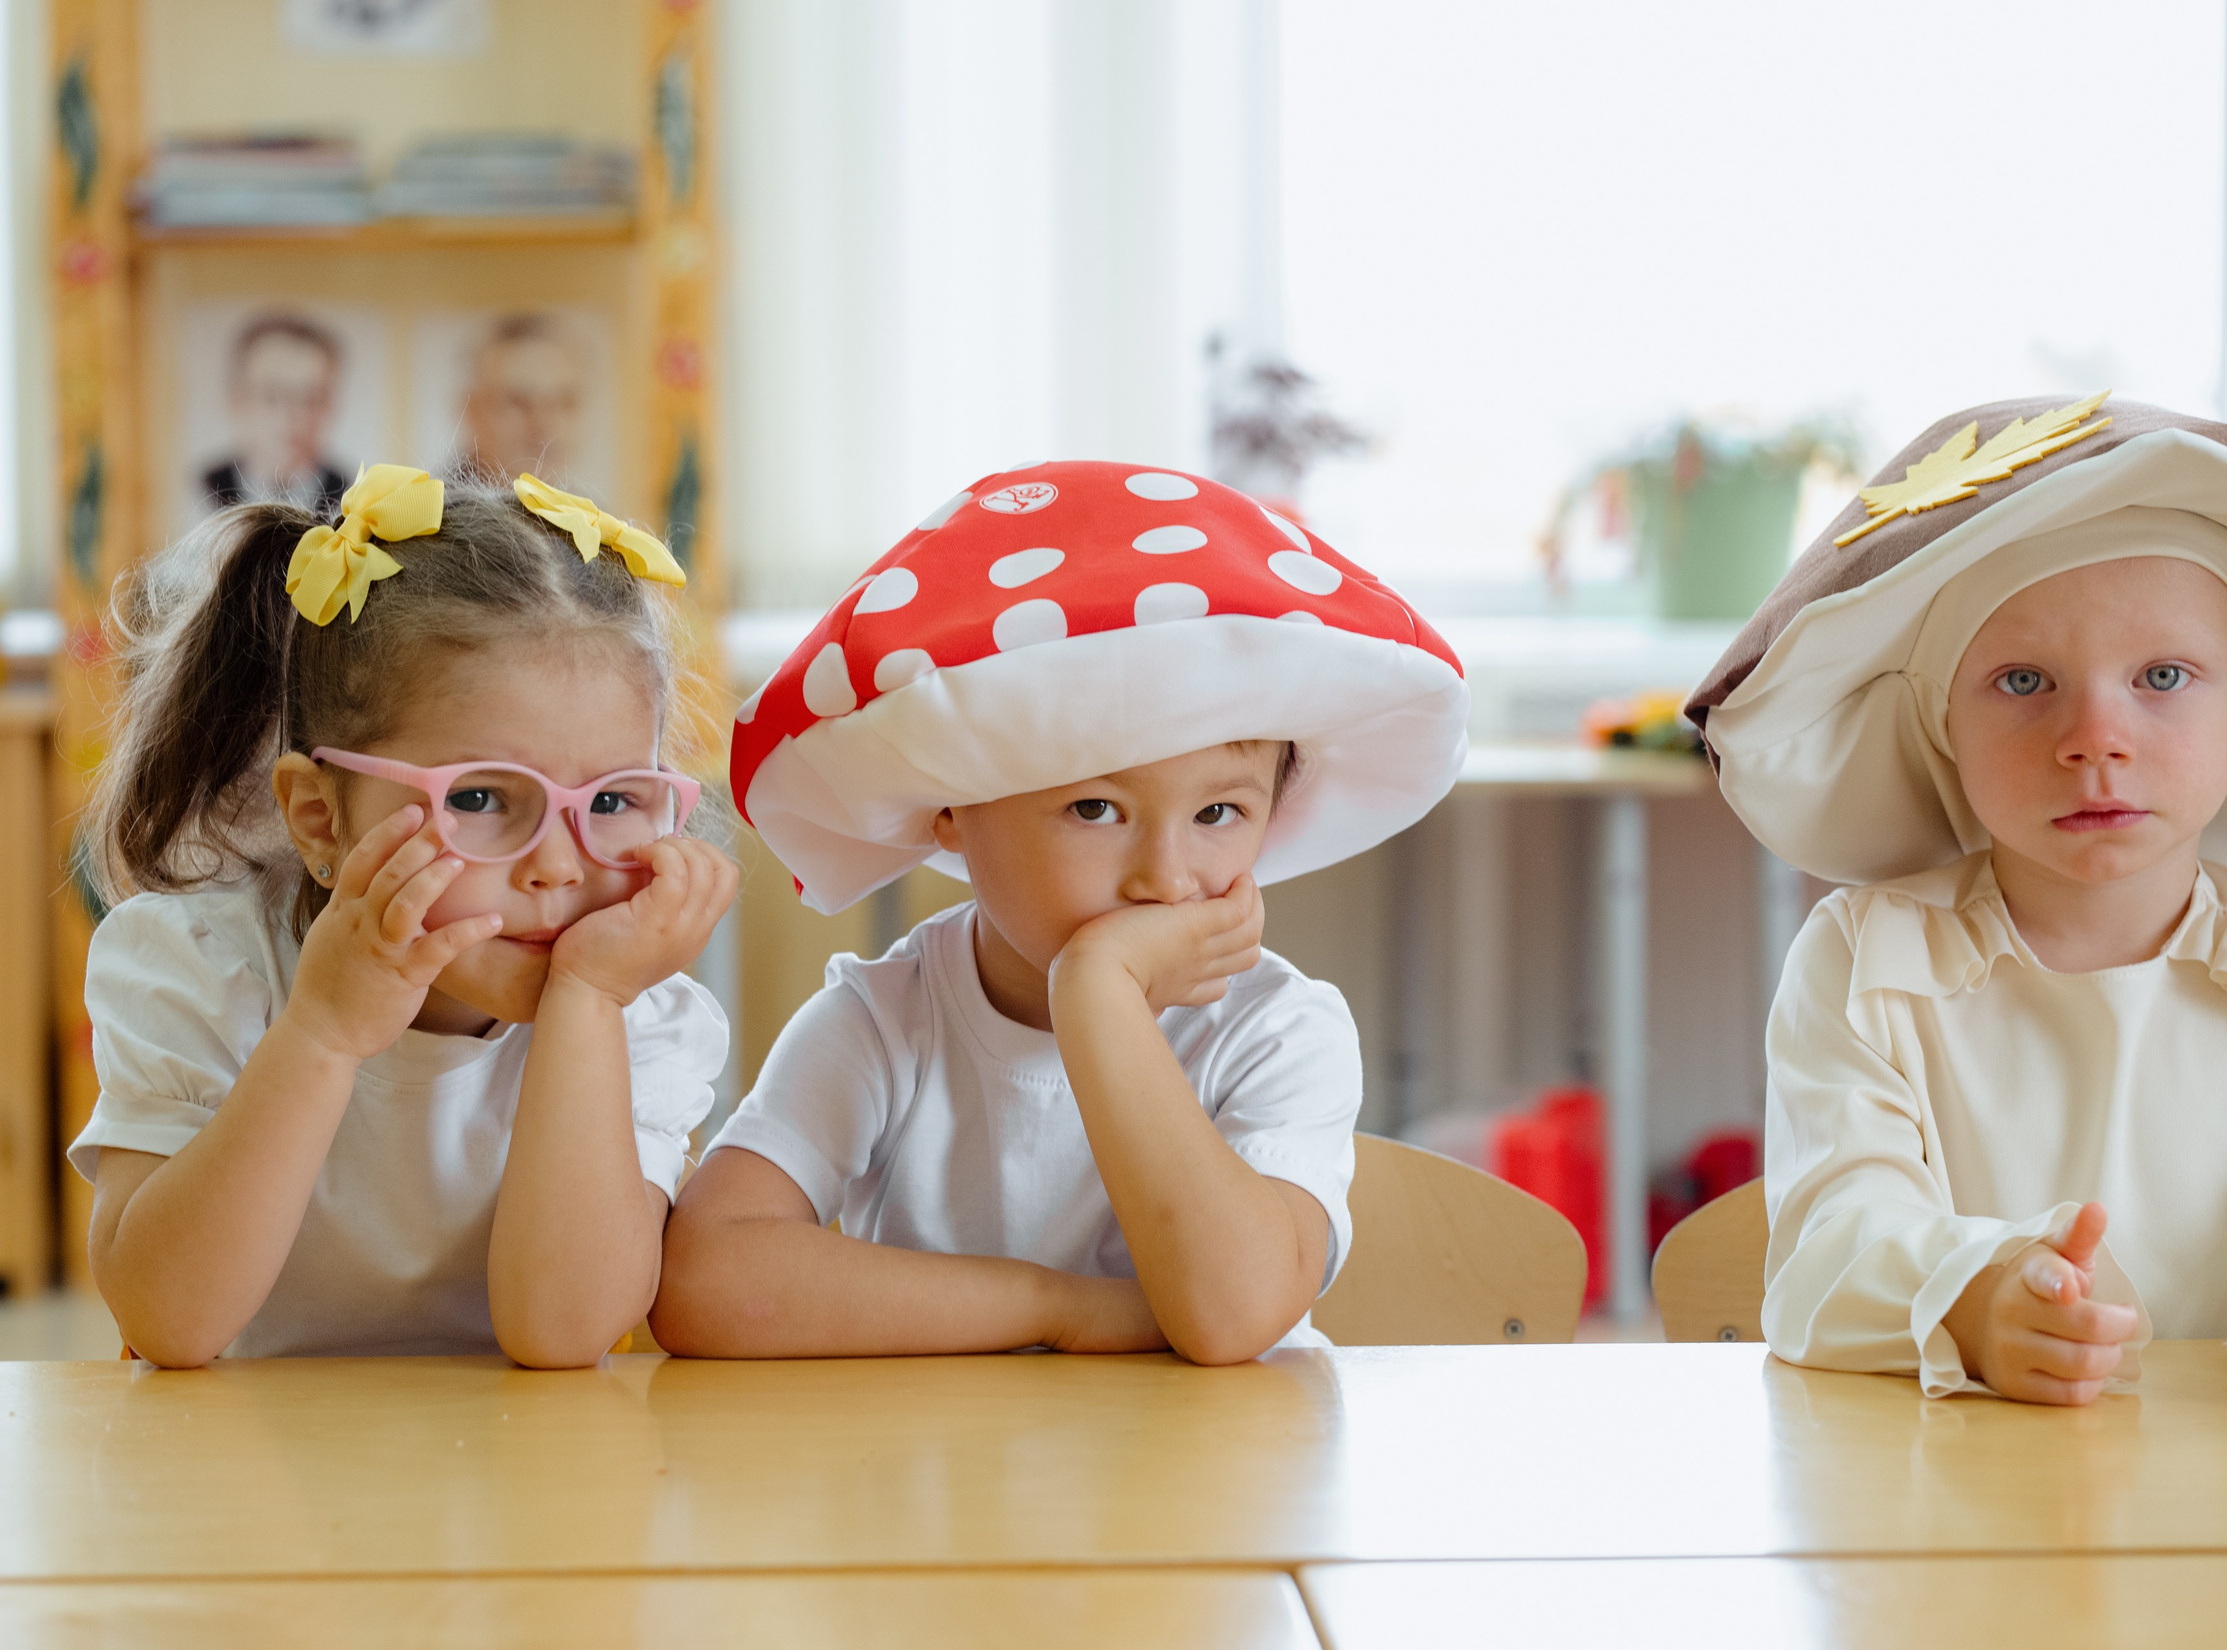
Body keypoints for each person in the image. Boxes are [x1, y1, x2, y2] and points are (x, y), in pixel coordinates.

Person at [1688, 393, 2227, 1403]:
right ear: (1941, 722)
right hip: (1960, 1510)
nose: (2094, 736)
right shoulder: (1864, 962)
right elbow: (1834, 1240)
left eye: (2163, 674)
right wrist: (1970, 1296)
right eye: (2020, 681)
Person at [651, 460, 1468, 1364]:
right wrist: (1057, 1307)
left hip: (1203, 1495)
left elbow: (1232, 1314)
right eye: (1095, 809)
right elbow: (701, 1284)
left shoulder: (1280, 1031)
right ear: (952, 810)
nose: (1165, 878)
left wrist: (1100, 994)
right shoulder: (887, 1020)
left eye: (1218, 813)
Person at [74, 463, 734, 1368]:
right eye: (482, 797)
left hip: (514, 1481)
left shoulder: (639, 1020)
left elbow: (562, 1331)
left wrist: (585, 1002)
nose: (556, 866)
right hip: (239, 1486)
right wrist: (322, 1034)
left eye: (614, 803)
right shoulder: (201, 967)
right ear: (321, 818)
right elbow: (167, 1321)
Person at [202, 313, 352, 513]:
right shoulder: (198, 495)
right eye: (271, 396)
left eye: (310, 399)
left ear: (330, 407)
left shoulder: (352, 500)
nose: (291, 416)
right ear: (237, 401)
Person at [457, 313, 585, 485]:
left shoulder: (587, 510)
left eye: (563, 403)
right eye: (518, 403)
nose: (544, 425)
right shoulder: (426, 509)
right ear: (472, 411)